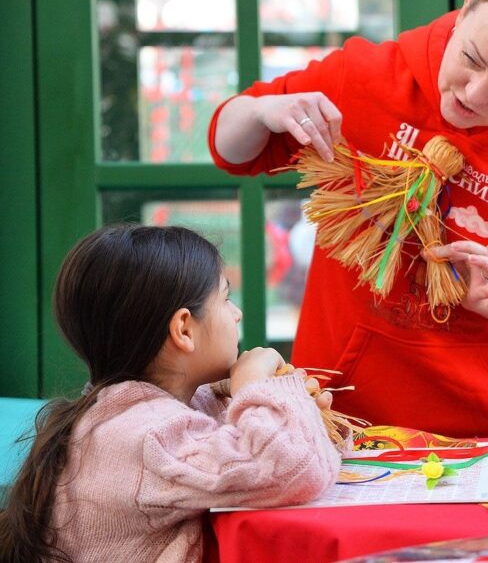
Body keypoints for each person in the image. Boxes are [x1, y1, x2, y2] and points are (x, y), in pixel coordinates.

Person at [208, 0, 488, 437]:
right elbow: (229, 149)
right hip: (334, 419)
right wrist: (262, 110)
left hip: (482, 434)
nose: (475, 93)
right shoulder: (366, 76)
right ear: (465, 11)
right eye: (471, 59)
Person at [0, 225, 341, 563]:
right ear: (183, 329)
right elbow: (293, 470)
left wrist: (301, 413)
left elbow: (279, 456)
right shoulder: (141, 436)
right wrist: (255, 385)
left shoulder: (146, 411)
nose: (237, 313)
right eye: (225, 299)